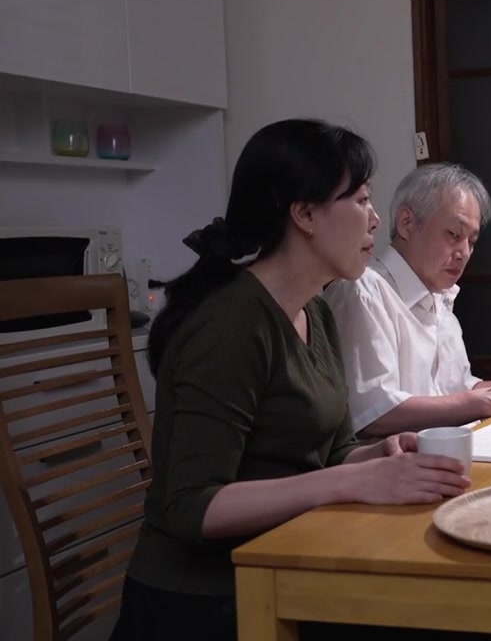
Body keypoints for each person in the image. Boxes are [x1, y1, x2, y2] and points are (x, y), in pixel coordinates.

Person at [111, 120, 472, 641]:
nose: (375, 220)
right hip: (211, 598)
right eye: (361, 200)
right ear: (304, 214)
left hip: (291, 560)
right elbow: (191, 506)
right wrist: (350, 481)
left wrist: (382, 454)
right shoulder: (231, 323)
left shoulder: (314, 310)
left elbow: (334, 451)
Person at [324, 162, 491, 437]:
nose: (464, 253)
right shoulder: (364, 290)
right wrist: (490, 400)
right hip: (392, 461)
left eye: (471, 241)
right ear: (406, 223)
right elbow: (373, 413)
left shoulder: (440, 298)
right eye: (454, 235)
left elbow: (459, 391)